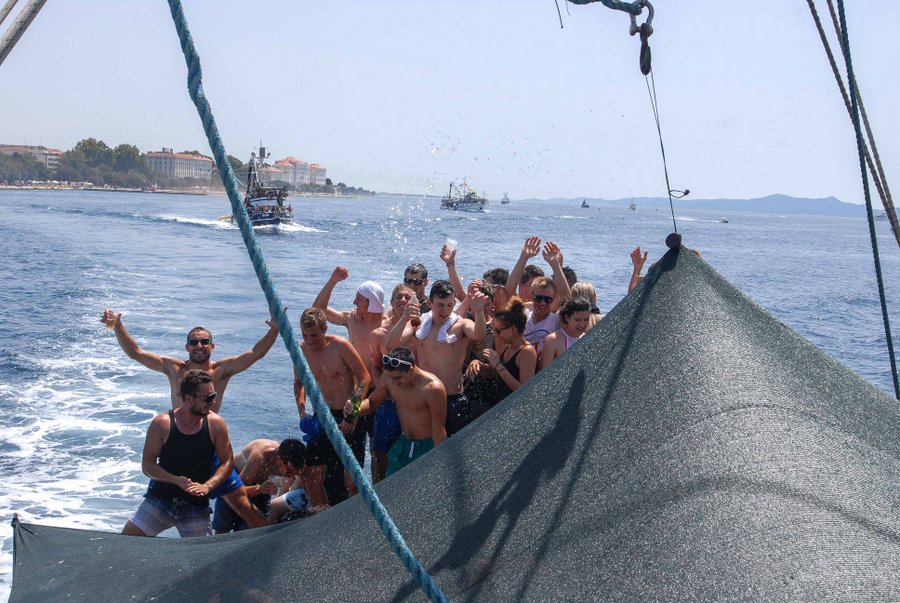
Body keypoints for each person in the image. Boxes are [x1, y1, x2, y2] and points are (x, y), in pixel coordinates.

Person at [101, 309, 275, 529]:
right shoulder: (174, 369)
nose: (199, 346)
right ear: (187, 347)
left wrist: (275, 330)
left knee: (241, 503)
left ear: (212, 346)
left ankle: (268, 538)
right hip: (177, 447)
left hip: (208, 446)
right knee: (161, 500)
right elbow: (136, 352)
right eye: (193, 342)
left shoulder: (221, 370)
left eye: (204, 342)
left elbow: (256, 353)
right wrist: (118, 326)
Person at [122, 370, 234, 538]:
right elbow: (148, 465)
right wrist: (175, 480)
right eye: (208, 398)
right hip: (161, 500)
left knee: (202, 552)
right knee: (125, 542)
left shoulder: (216, 424)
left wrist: (208, 486)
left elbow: (227, 462)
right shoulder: (162, 424)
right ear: (188, 399)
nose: (213, 402)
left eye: (214, 396)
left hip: (195, 506)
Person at [385, 280, 487, 436]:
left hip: (453, 397)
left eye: (449, 305)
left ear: (454, 304)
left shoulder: (461, 325)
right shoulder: (418, 323)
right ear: (430, 303)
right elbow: (391, 345)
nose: (445, 310)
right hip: (426, 397)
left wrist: (478, 311)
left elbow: (479, 335)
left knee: (455, 446)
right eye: (440, 305)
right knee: (427, 444)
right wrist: (404, 318)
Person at [294, 307, 371, 506]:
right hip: (320, 418)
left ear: (325, 329)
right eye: (305, 335)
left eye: (314, 335)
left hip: (346, 416)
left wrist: (353, 411)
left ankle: (358, 515)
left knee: (351, 479)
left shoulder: (340, 346)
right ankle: (322, 515)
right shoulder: (301, 350)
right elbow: (298, 383)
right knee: (312, 476)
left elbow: (364, 378)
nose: (309, 340)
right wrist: (302, 411)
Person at [347, 347, 446, 475]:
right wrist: (356, 408)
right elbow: (372, 403)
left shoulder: (433, 389)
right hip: (404, 444)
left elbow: (439, 431)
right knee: (391, 481)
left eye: (398, 378)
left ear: (411, 370)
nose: (394, 382)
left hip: (426, 446)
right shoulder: (388, 378)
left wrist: (441, 461)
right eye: (391, 377)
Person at [367, 283, 415, 482]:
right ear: (391, 301)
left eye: (407, 297)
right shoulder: (379, 334)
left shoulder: (421, 328)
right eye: (398, 297)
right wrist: (382, 388)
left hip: (413, 400)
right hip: (388, 402)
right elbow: (375, 365)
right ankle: (378, 488)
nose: (403, 300)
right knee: (380, 452)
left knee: (411, 449)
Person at [211, 438, 307, 533]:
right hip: (234, 480)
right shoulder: (259, 456)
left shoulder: (289, 460)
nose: (292, 476)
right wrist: (259, 489)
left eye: (296, 472)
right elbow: (236, 492)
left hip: (260, 485)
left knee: (255, 527)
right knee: (223, 525)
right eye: (289, 472)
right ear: (279, 460)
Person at [479, 297, 537, 405]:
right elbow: (498, 374)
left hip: (515, 408)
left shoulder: (527, 351)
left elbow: (525, 391)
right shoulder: (506, 346)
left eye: (498, 331)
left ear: (513, 329)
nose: (495, 334)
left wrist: (498, 365)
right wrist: (480, 366)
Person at [538, 298, 592, 370]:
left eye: (586, 320)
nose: (582, 324)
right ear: (567, 317)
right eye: (577, 320)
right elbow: (544, 373)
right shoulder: (553, 340)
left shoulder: (587, 340)